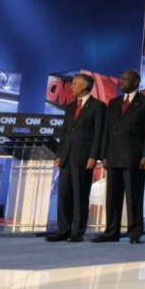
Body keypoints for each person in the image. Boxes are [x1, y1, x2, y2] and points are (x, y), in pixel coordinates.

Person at [92, 70, 145, 244]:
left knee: (134, 196)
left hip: (134, 157)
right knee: (112, 196)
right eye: (122, 79)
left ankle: (135, 232)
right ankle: (111, 231)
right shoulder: (113, 103)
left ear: (136, 82)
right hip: (113, 155)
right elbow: (106, 130)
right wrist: (103, 154)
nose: (122, 82)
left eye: (127, 80)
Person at [45, 73, 106, 242]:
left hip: (84, 156)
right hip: (66, 156)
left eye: (74, 84)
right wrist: (59, 153)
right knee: (64, 194)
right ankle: (63, 229)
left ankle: (77, 232)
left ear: (85, 86)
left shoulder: (98, 106)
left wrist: (94, 155)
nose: (71, 87)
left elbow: (99, 133)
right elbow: (64, 132)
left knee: (80, 194)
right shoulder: (71, 106)